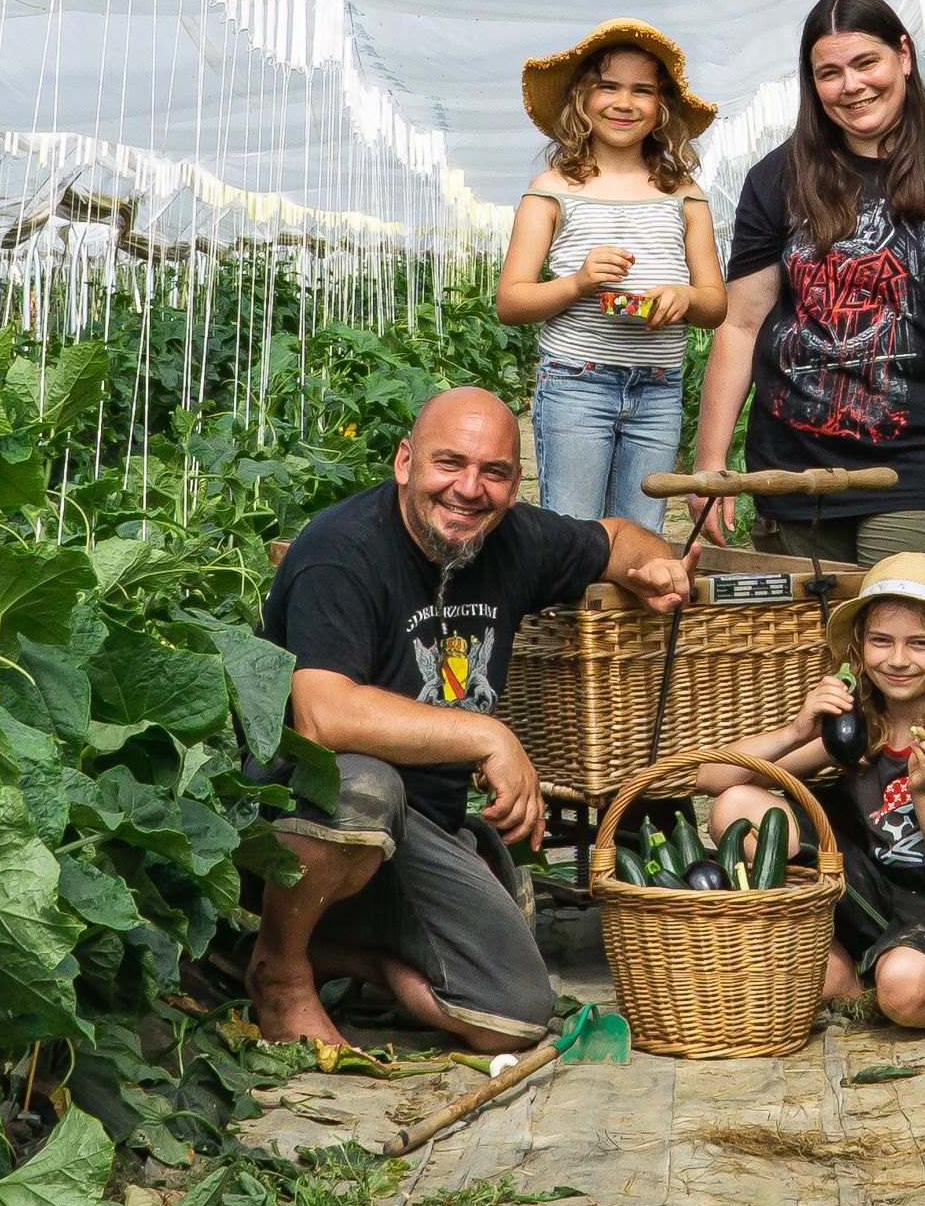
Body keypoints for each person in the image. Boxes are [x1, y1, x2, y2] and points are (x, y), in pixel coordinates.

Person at [248, 385, 694, 1052]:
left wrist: (652, 568)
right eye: (449, 463)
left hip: (423, 832)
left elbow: (617, 537)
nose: (469, 488)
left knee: (511, 1013)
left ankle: (340, 952)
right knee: (366, 785)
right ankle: (279, 973)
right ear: (405, 463)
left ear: (515, 485)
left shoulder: (515, 540)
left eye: (495, 472)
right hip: (300, 815)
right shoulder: (341, 552)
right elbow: (321, 715)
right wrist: (488, 734)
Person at [690, 0, 925, 577]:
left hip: (923, 472)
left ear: (903, 56)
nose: (851, 86)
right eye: (829, 73)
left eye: (865, 63)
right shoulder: (777, 178)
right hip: (795, 476)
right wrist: (711, 464)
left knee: (898, 645)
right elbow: (742, 325)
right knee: (805, 664)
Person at [696, 553, 925, 1029]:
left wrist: (924, 792)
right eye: (881, 641)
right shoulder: (863, 726)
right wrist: (796, 731)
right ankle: (855, 979)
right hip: (871, 893)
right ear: (860, 646)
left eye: (920, 643)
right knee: (736, 807)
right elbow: (710, 778)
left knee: (904, 991)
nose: (898, 659)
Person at [497, 20, 727, 530]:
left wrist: (685, 297)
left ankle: (623, 614)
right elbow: (510, 302)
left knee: (641, 539)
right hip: (577, 385)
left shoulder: (684, 194)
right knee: (574, 532)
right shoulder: (552, 188)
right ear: (583, 99)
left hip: (659, 391)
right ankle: (572, 614)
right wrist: (579, 283)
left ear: (661, 106)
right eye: (609, 86)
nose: (625, 102)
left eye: (642, 90)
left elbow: (716, 305)